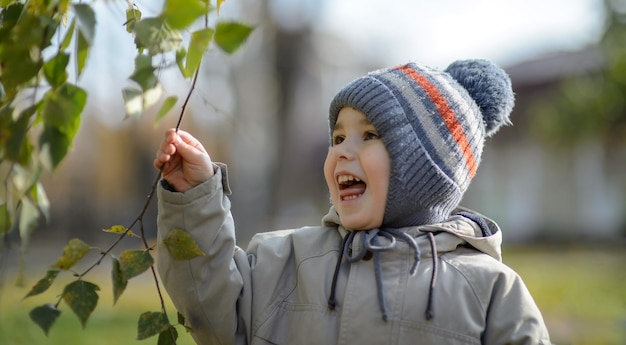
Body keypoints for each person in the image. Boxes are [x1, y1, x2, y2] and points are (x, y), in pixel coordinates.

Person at [154, 59, 552, 345]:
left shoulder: (489, 289)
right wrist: (194, 197)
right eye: (338, 138)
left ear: (424, 169)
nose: (343, 152)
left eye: (371, 135)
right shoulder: (286, 261)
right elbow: (211, 309)